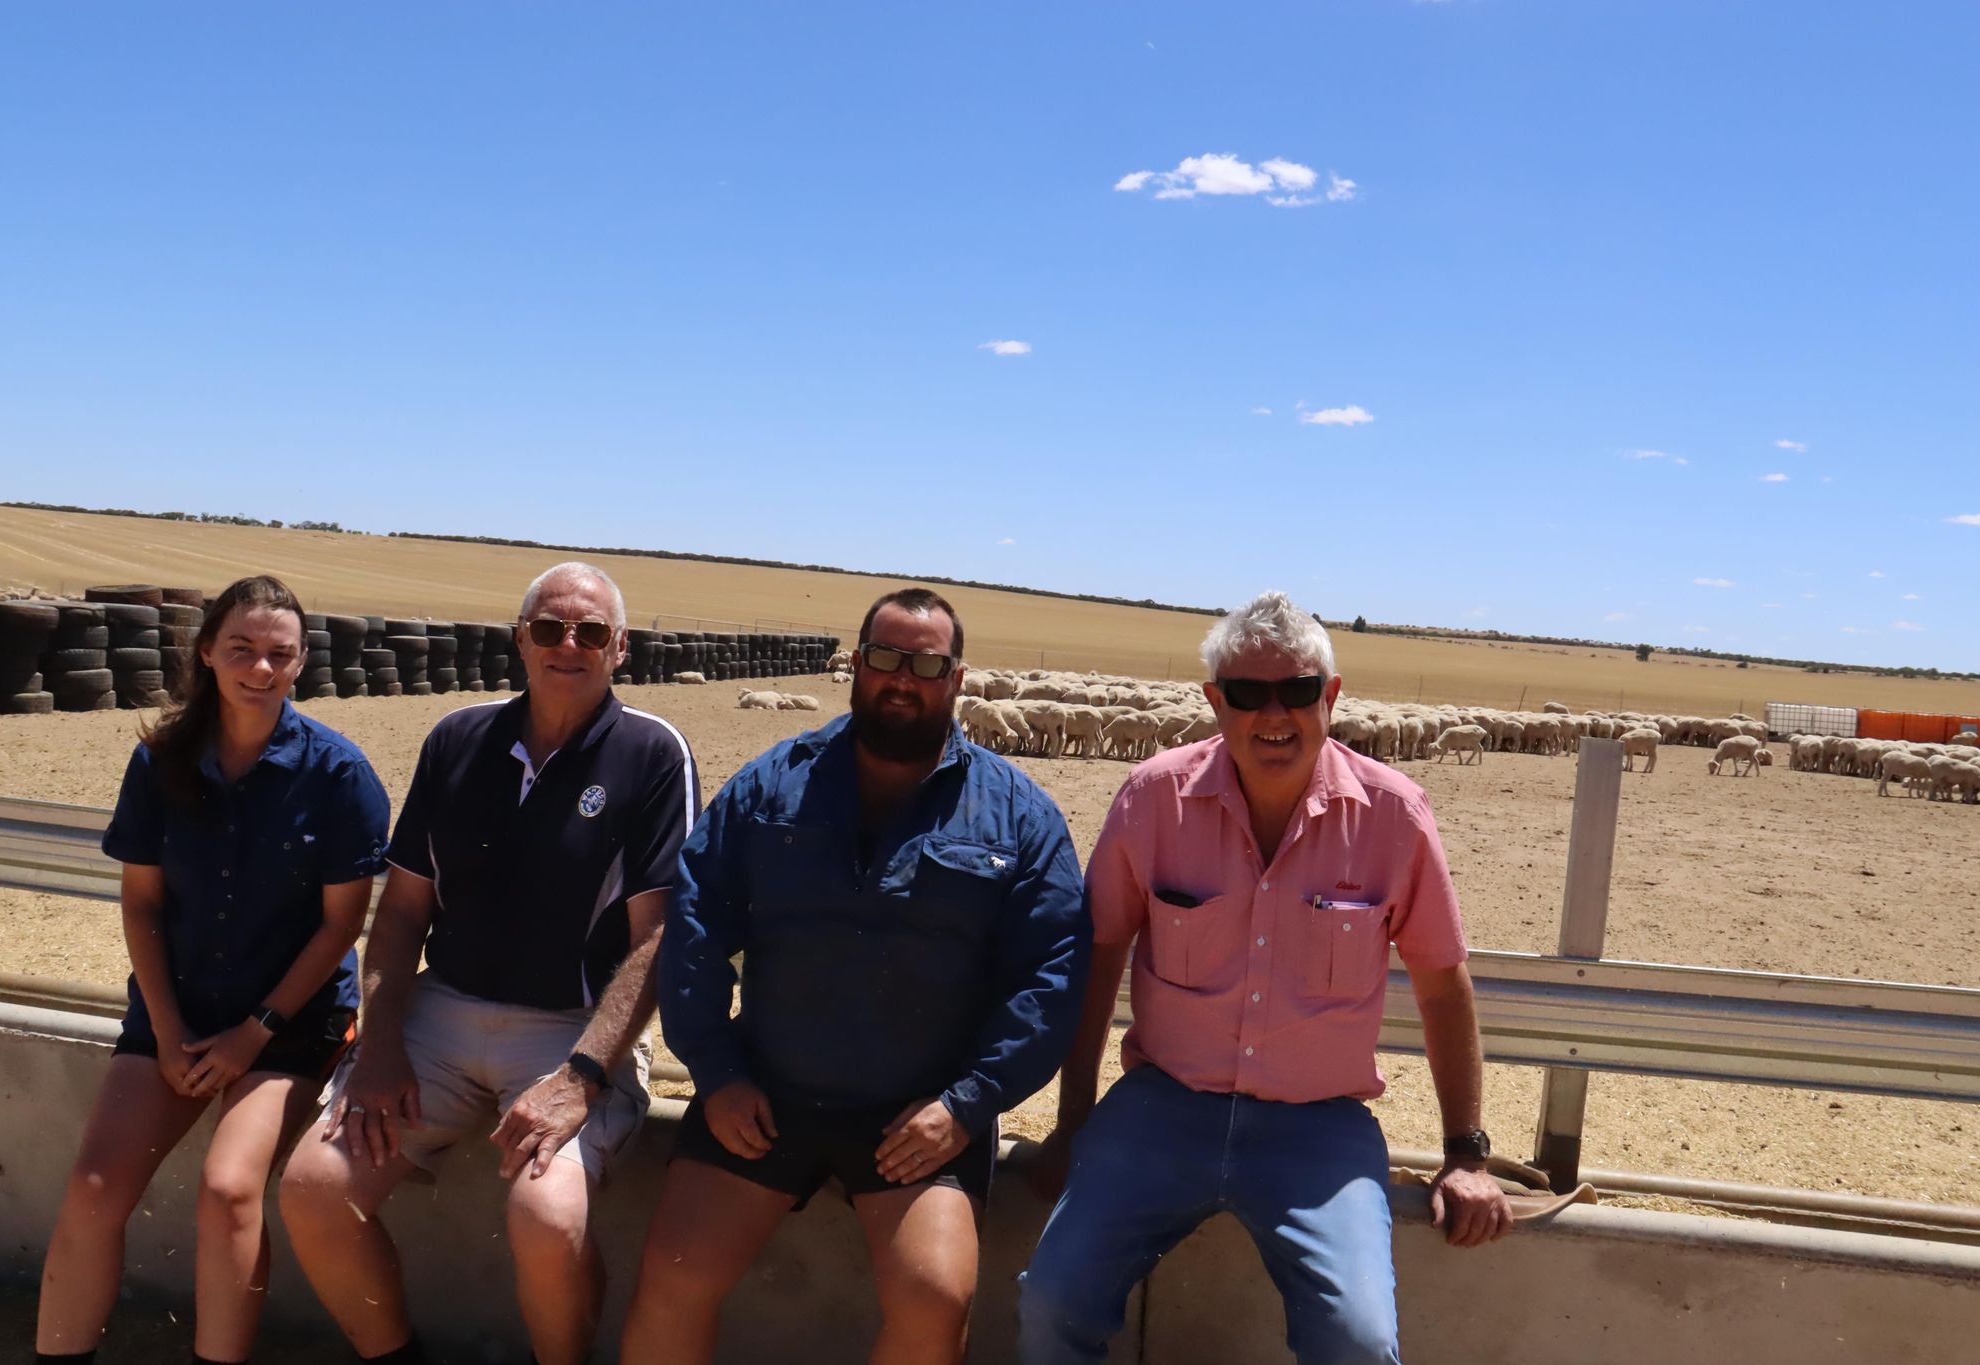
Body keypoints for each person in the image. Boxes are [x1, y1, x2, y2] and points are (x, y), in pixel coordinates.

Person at [1017, 590, 1513, 1365]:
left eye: (1298, 690)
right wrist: (1073, 1121)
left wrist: (1466, 1154)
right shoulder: (1153, 798)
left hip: (1316, 1126)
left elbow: (1443, 985)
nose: (1272, 713)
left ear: (1333, 696)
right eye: (1248, 693)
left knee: (1359, 1341)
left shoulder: (1395, 815)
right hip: (1162, 1110)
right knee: (1051, 1300)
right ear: (1216, 701)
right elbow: (1100, 955)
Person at [624, 587, 1089, 1365]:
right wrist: (716, 1068)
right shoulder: (774, 785)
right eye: (884, 657)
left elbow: (1051, 972)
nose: (901, 677)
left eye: (926, 663)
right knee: (671, 1276)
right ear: (856, 666)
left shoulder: (1017, 814)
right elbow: (696, 920)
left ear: (958, 677)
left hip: (917, 1114)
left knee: (936, 1299)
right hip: (765, 1093)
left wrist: (966, 1103)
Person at [279, 562, 698, 1365]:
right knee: (314, 1191)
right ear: (520, 640)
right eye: (548, 628)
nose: (567, 644)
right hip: (438, 1014)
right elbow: (401, 913)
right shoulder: (458, 740)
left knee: (547, 1216)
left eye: (590, 632)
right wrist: (381, 1041)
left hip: (574, 1030)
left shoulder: (651, 753)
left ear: (621, 649)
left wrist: (581, 1075)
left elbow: (658, 939)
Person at [35, 575, 391, 1365]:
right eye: (242, 649)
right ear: (207, 651)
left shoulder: (339, 775)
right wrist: (166, 1031)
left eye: (279, 654)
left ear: (300, 664)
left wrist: (251, 1033)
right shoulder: (161, 760)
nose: (260, 668)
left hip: (291, 1023)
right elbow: (141, 905)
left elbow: (341, 926)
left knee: (230, 1190)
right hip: (179, 1009)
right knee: (94, 1191)